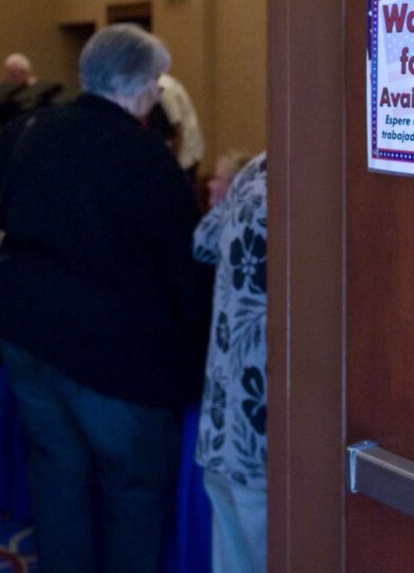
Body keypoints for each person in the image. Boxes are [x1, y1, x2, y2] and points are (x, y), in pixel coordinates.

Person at [0, 24, 211, 573]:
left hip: (30, 334)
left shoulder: (35, 128)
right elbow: (185, 269)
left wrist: (34, 222)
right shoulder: (146, 157)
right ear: (141, 84)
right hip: (117, 356)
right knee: (134, 490)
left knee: (57, 477)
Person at [193, 151, 267, 573]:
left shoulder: (256, 169)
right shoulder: (314, 183)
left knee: (232, 556)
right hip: (263, 429)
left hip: (225, 416)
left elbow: (201, 243)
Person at [157, 72, 205, 182]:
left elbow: (178, 129)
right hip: (186, 152)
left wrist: (171, 165)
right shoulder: (163, 81)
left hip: (184, 156)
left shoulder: (163, 87)